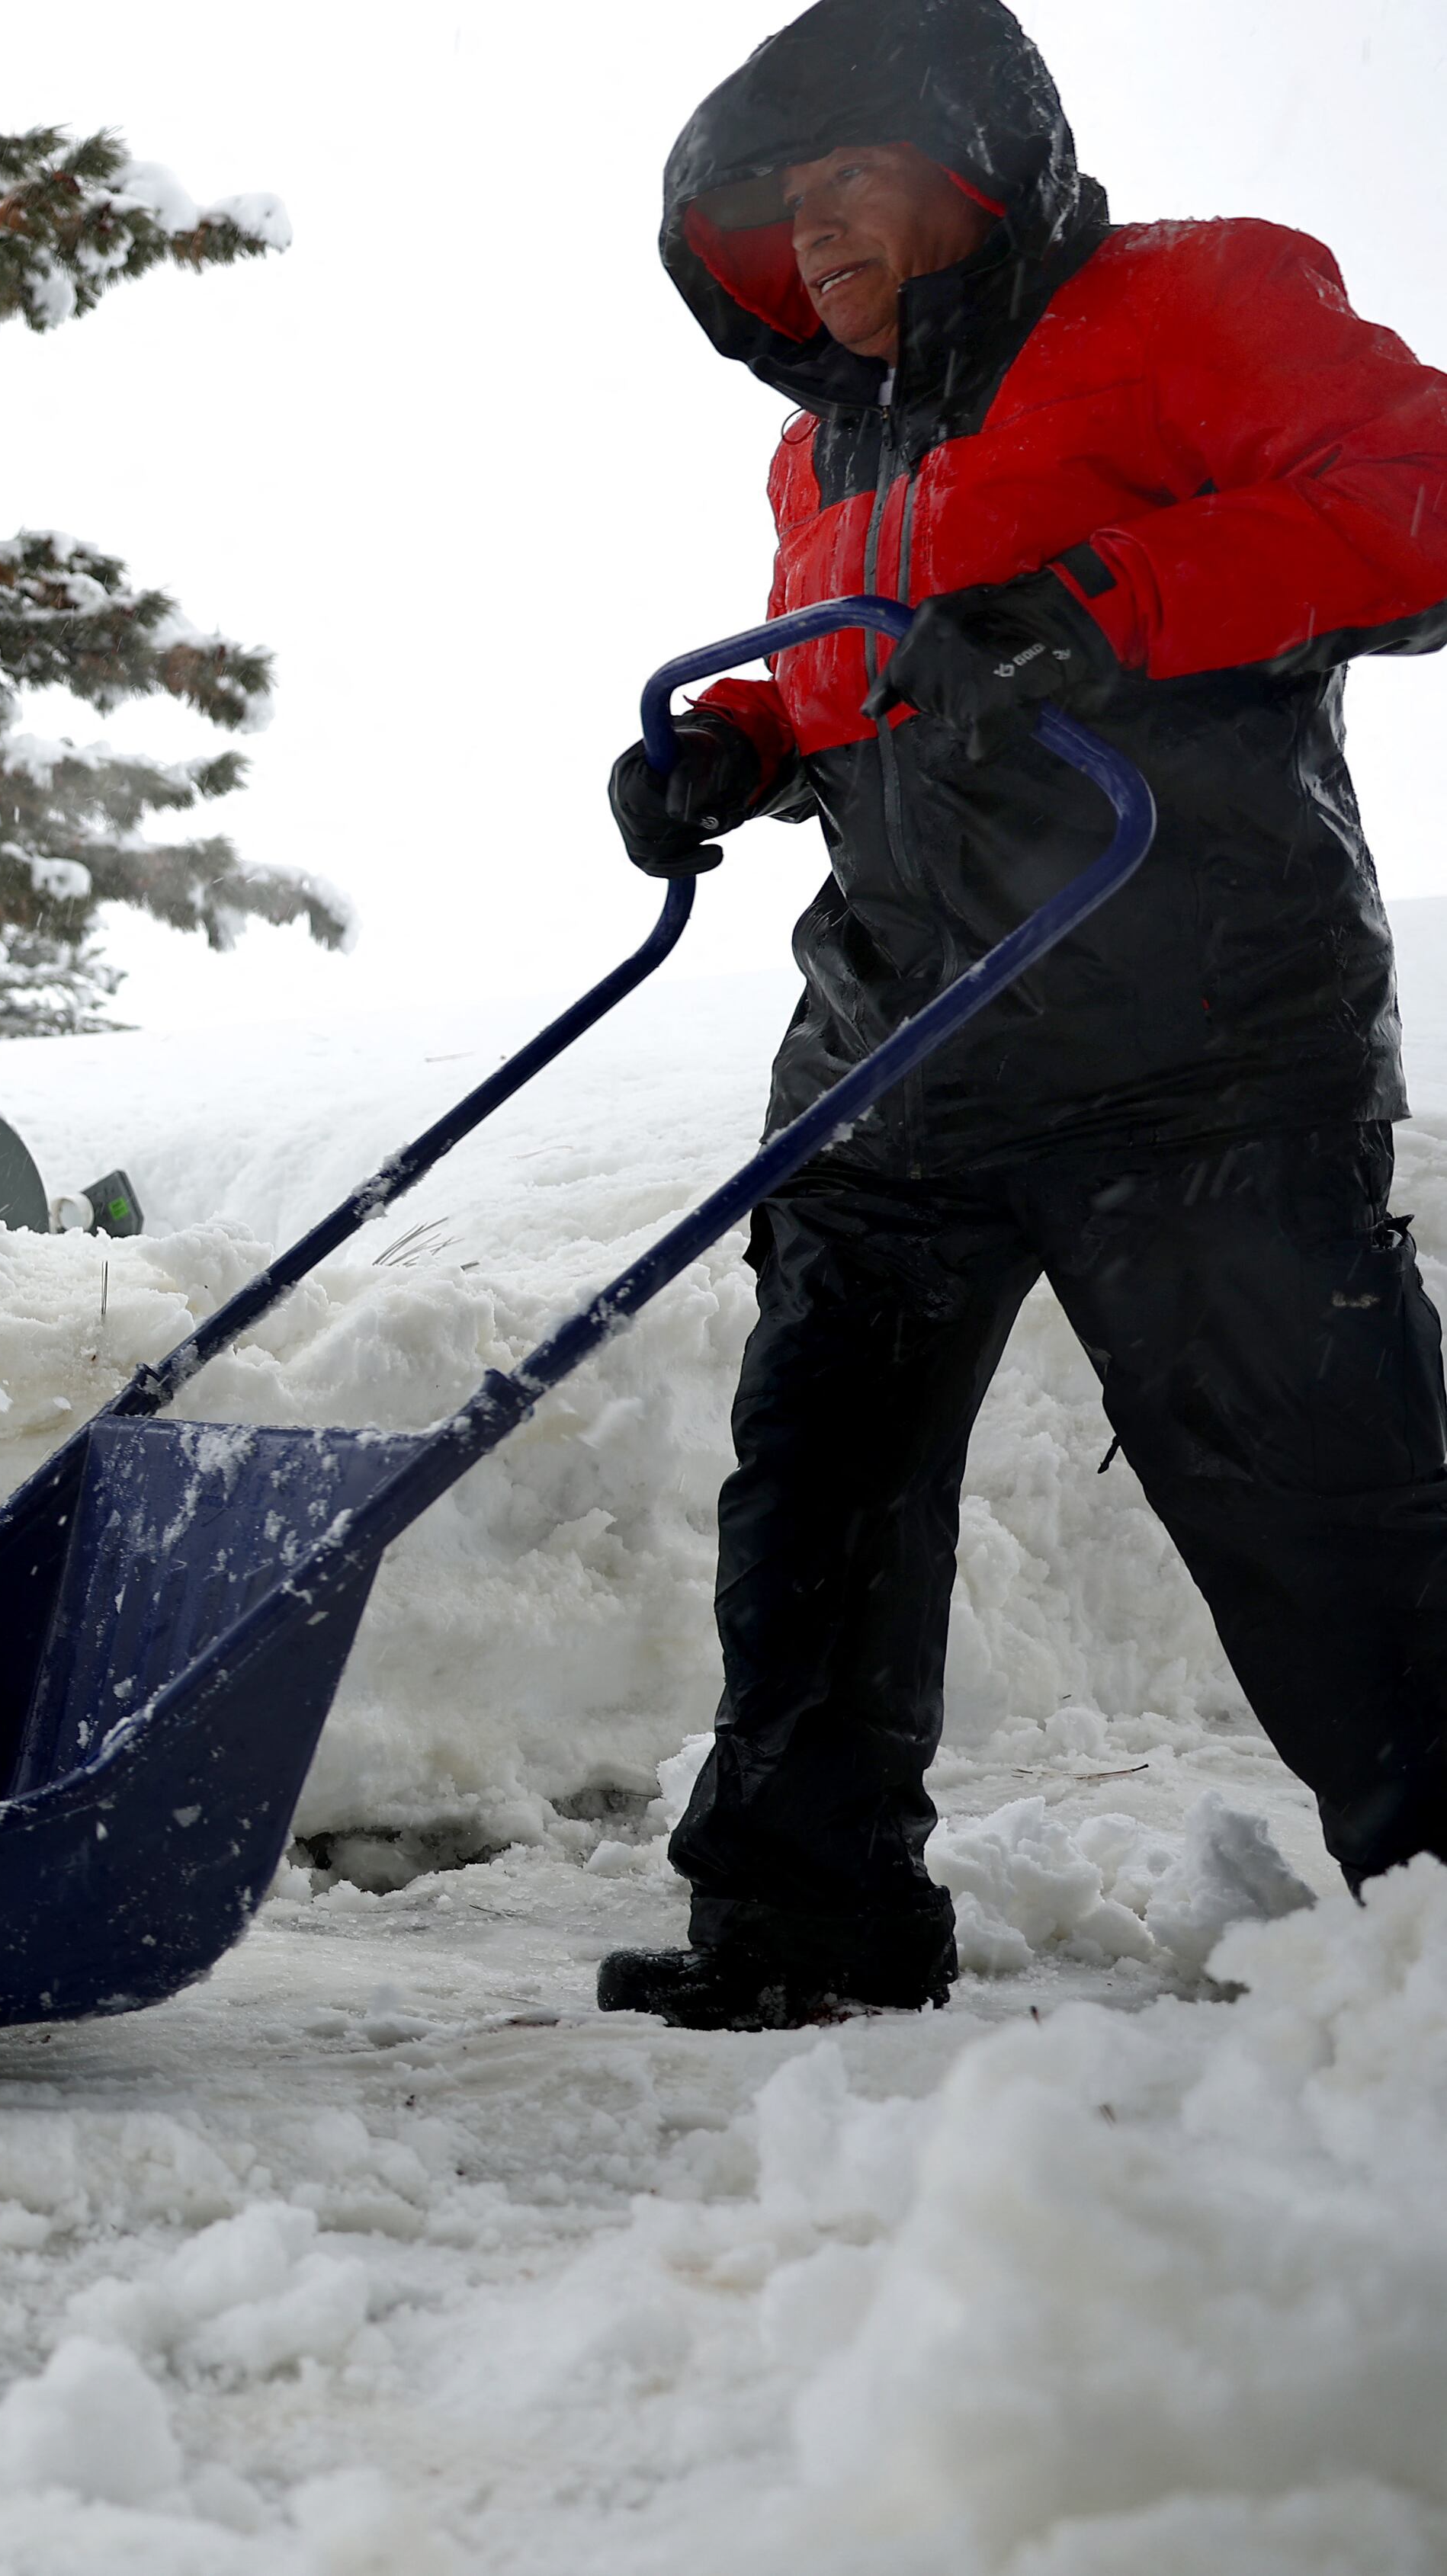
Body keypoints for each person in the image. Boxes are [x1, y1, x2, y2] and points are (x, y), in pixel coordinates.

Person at [599, 0, 1447, 2029]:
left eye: (844, 186)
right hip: (904, 1046)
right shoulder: (830, 441)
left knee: (1322, 1512)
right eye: (770, 216)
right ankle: (807, 1924)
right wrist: (731, 746)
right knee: (816, 1487)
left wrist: (1119, 597)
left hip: (1201, 1047)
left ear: (975, 158)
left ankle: (1443, 1908)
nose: (807, 243)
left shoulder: (1194, 303)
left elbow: (1420, 501)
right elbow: (855, 677)